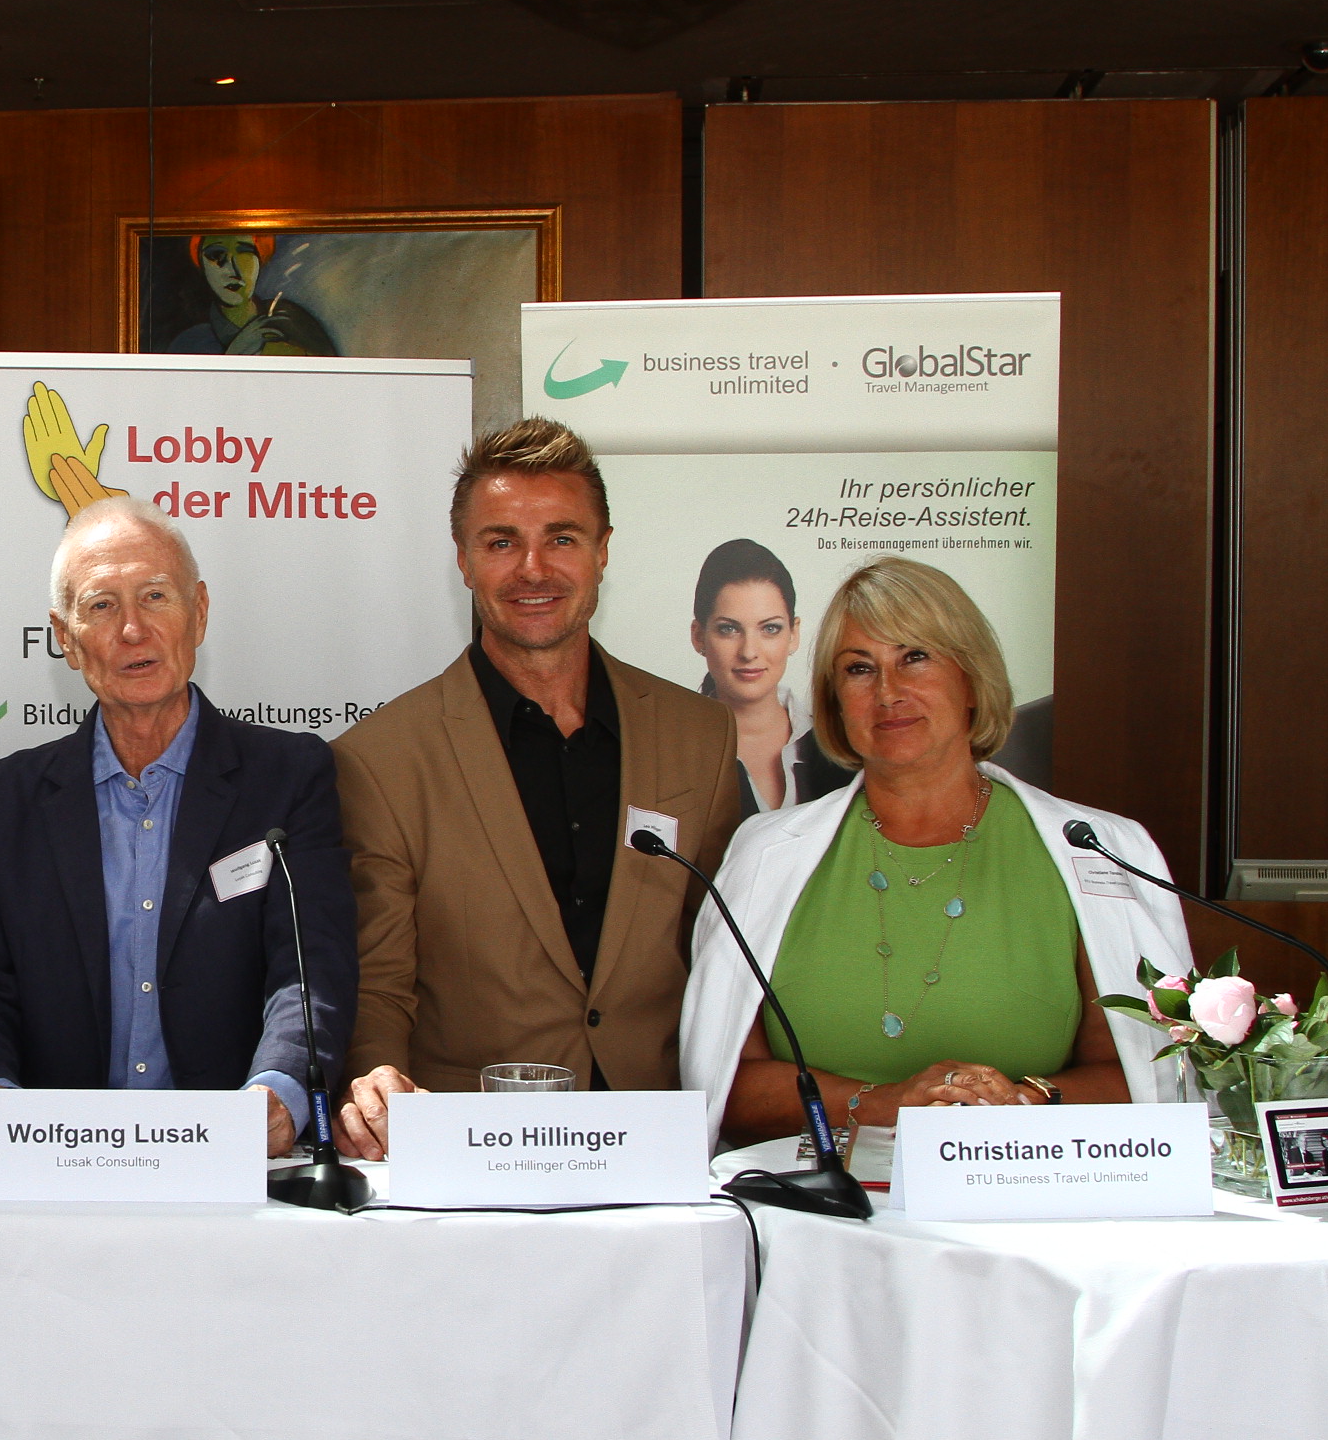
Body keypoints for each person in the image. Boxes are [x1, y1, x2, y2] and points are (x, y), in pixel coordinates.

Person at [332, 418, 744, 1159]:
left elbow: (721, 960)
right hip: (472, 1153)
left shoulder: (700, 736)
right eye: (501, 542)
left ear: (602, 551)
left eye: (561, 538)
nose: (533, 569)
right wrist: (377, 1090)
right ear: (463, 559)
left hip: (658, 1148)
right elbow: (381, 986)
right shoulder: (381, 761)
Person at [679, 557, 1190, 1146]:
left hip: (1026, 1184)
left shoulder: (1102, 850)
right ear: (835, 702)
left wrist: (1019, 1103)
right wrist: (884, 1104)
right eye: (859, 669)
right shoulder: (765, 854)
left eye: (915, 657)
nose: (888, 692)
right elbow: (725, 1088)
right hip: (812, 1196)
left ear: (972, 679)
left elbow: (1152, 1077)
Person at [0, 495, 356, 1157]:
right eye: (102, 606)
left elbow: (309, 972)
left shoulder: (287, 778)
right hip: (59, 1160)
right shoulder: (7, 802)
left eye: (156, 597)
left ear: (200, 612)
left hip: (229, 1156)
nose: (132, 629)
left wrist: (276, 1094)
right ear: (66, 637)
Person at [689, 538, 850, 816]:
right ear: (698, 636)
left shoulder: (843, 744)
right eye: (729, 629)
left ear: (793, 634)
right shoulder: (668, 751)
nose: (749, 652)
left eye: (770, 629)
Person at [161, 233, 340, 356]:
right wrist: (234, 356)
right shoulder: (190, 343)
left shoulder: (293, 322)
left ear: (260, 260)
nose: (233, 269)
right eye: (216, 254)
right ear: (201, 264)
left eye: (245, 252)